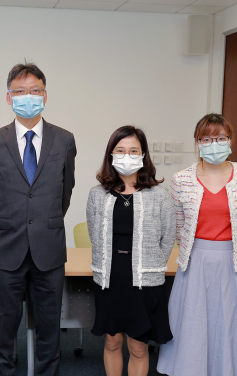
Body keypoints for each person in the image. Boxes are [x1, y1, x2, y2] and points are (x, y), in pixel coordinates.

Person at [0, 62, 77, 375]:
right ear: (9, 98)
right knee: (3, 331)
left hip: (49, 250)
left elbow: (66, 192)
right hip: (7, 249)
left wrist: (42, 223)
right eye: (20, 92)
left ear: (45, 95)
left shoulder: (64, 140)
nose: (27, 97)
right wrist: (6, 228)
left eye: (34, 91)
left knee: (50, 330)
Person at [157, 113, 237, 376]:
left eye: (221, 138)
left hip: (231, 263)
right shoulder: (181, 179)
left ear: (230, 140)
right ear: (197, 142)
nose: (214, 143)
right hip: (194, 262)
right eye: (207, 138)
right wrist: (199, 248)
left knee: (229, 324)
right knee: (193, 324)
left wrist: (230, 249)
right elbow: (179, 226)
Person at [86, 126, 174, 376]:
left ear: (143, 155)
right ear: (111, 155)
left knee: (138, 346)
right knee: (112, 342)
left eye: (133, 150)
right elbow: (94, 233)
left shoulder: (159, 195)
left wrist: (153, 264)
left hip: (145, 279)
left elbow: (168, 237)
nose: (127, 156)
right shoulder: (97, 195)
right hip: (109, 278)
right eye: (120, 150)